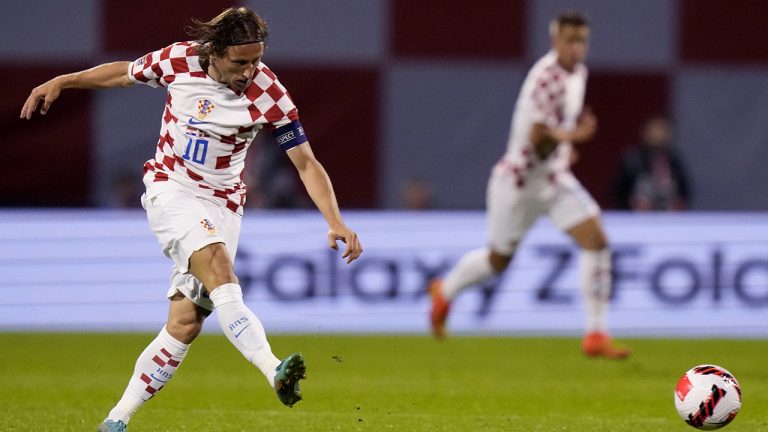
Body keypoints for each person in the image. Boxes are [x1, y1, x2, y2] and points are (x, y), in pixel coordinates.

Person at [21, 7, 363, 431]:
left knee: (185, 324)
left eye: (256, 60)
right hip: (172, 188)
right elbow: (123, 73)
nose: (249, 70)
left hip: (224, 204)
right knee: (221, 269)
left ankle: (115, 421)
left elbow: (306, 163)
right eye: (240, 62)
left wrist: (335, 220)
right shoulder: (179, 60)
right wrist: (64, 80)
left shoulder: (269, 93)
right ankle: (274, 369)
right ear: (214, 52)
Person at [429, 11, 629, 359]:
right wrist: (575, 136)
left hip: (552, 180)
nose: (576, 48)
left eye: (582, 40)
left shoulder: (578, 73)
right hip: (518, 184)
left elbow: (551, 139)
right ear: (555, 41)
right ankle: (445, 291)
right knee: (498, 261)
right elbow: (538, 141)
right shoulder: (545, 78)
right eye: (570, 40)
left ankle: (596, 335)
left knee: (597, 240)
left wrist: (565, 148)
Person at [613, 115, 691, 211]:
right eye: (654, 130)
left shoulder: (673, 161)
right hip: (636, 218)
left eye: (662, 130)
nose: (658, 134)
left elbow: (684, 192)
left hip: (668, 218)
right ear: (645, 132)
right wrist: (630, 203)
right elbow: (617, 191)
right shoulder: (632, 160)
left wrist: (679, 203)